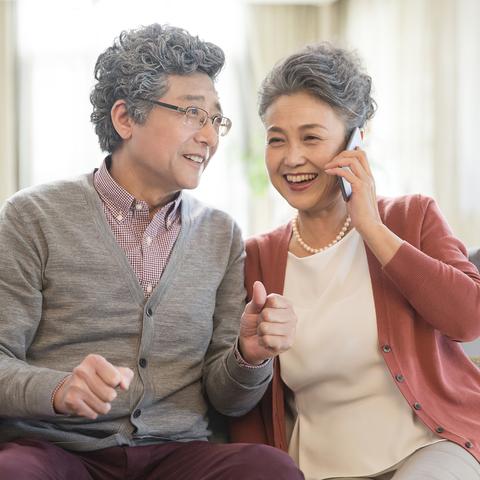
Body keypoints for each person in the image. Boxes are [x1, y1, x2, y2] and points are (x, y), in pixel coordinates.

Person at [0, 24, 303, 480]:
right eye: (192, 113)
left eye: (216, 119)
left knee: (270, 470)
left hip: (176, 455)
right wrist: (58, 388)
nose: (209, 137)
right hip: (56, 451)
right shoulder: (31, 217)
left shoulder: (220, 234)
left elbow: (228, 398)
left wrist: (249, 354)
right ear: (125, 119)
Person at [229, 43, 480, 480]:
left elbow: (469, 319)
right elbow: (243, 404)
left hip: (430, 449)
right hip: (318, 469)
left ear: (356, 139)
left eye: (311, 137)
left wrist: (374, 230)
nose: (292, 158)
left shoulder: (411, 216)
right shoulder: (256, 257)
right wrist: (250, 357)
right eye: (276, 139)